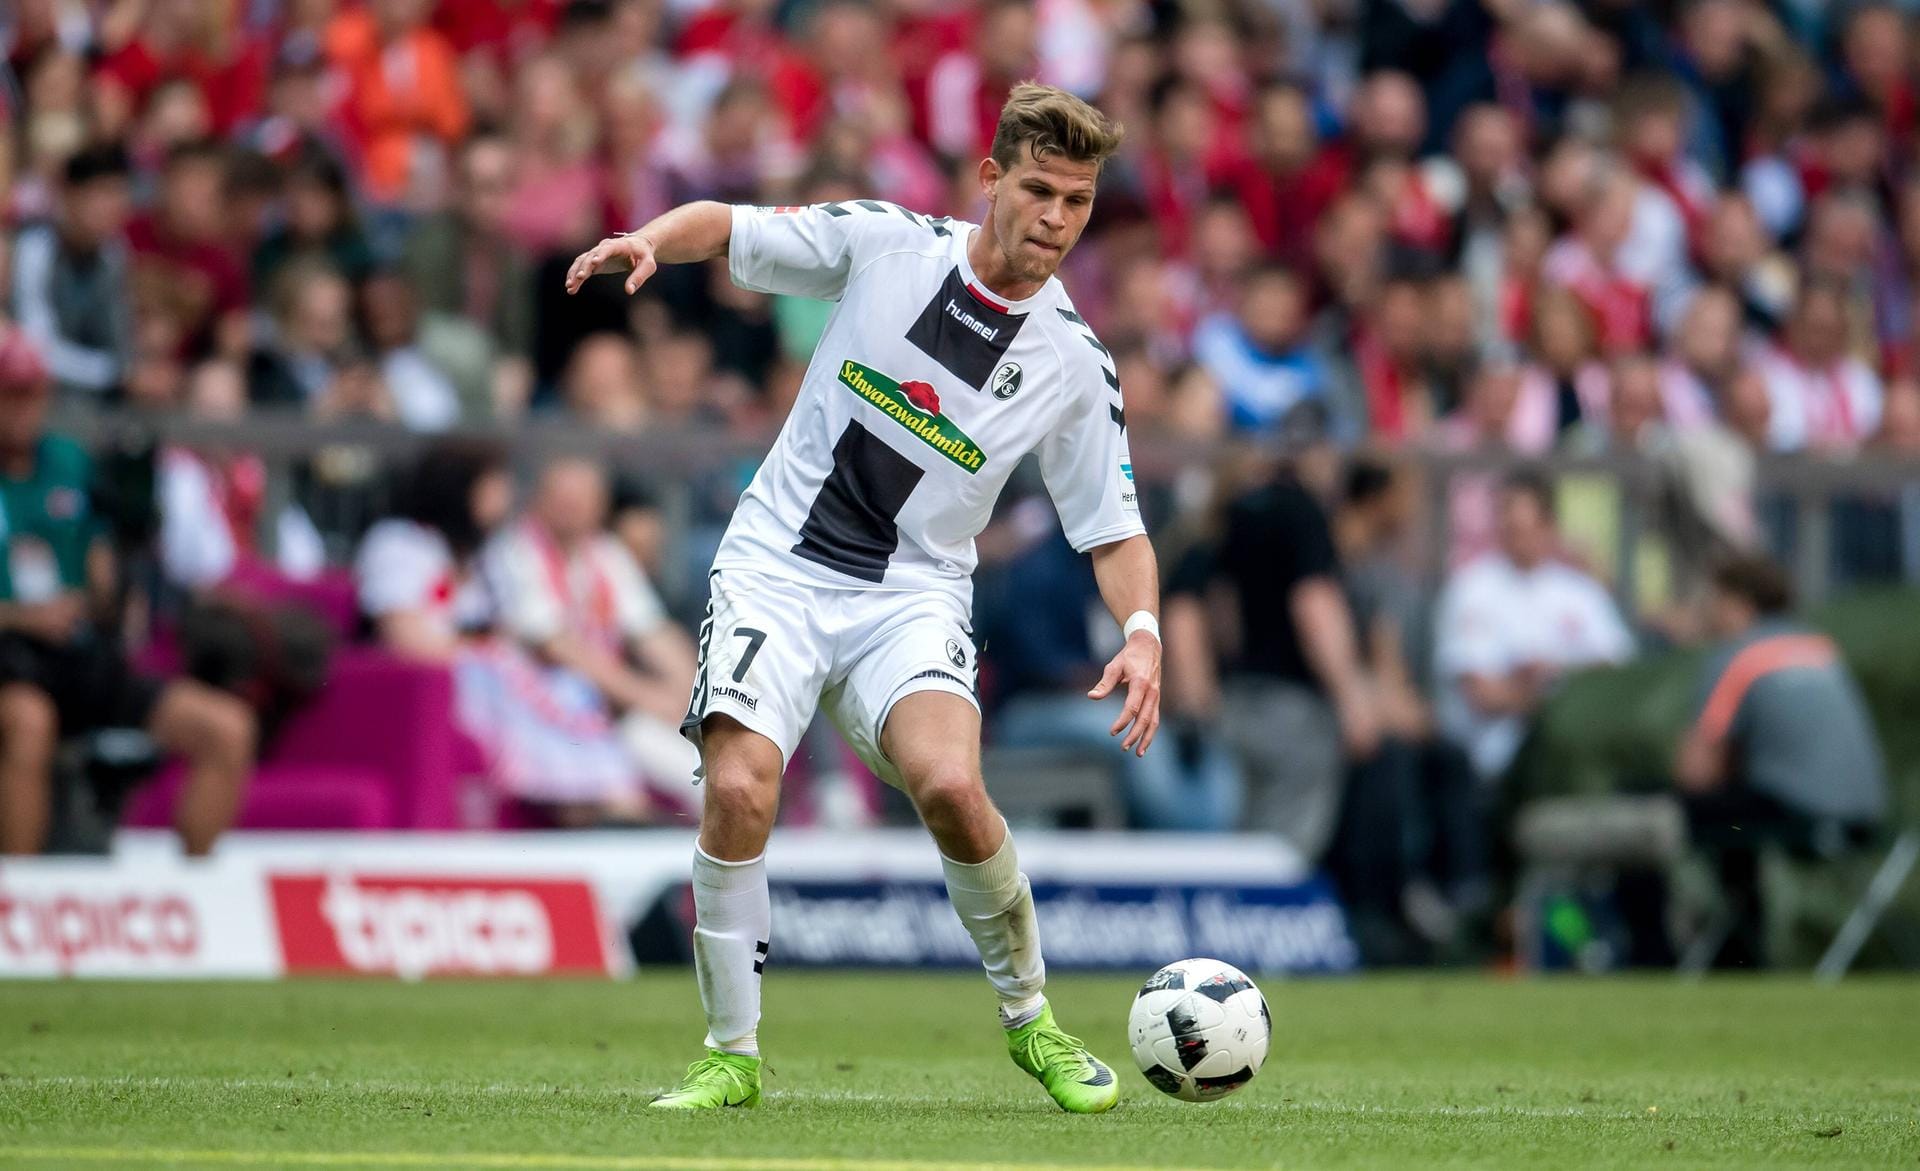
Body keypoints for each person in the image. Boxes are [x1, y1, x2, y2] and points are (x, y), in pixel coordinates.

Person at [566, 83, 1155, 1112]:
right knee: (742, 786)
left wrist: (1143, 631)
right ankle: (731, 1054)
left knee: (953, 788)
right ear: (991, 180)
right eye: (1039, 190)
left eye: (1079, 200)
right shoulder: (887, 244)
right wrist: (650, 238)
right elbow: (734, 228)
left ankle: (1035, 1024)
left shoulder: (1072, 361)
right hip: (779, 567)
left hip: (912, 595)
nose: (1057, 218)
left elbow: (1113, 528)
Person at [0, 327, 255, 857]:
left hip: (76, 655)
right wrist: (25, 618)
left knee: (226, 729)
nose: (20, 407)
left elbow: (100, 569)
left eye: (30, 391)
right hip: (9, 658)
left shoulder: (70, 464)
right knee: (28, 724)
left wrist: (114, 582)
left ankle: (193, 900)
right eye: (8, 391)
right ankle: (14, 904)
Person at [356, 442, 645, 825]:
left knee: (570, 689)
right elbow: (408, 641)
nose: (505, 500)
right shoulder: (399, 544)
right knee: (519, 682)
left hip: (481, 673)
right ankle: (583, 809)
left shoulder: (479, 555)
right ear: (460, 489)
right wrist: (487, 650)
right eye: (493, 488)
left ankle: (610, 806)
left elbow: (499, 628)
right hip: (430, 686)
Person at [1672, 555, 1887, 967]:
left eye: (1713, 601)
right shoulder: (1820, 647)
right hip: (1866, 816)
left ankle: (1703, 956)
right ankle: (1739, 950)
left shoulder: (1737, 655)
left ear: (1738, 605)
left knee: (1671, 810)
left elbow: (1695, 772)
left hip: (1798, 814)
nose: (1708, 612)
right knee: (1734, 814)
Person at [484, 458, 702, 820]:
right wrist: (647, 696)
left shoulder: (605, 553)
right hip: (533, 702)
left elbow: (653, 632)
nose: (573, 508)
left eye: (583, 498)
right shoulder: (514, 550)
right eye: (562, 497)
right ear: (538, 499)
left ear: (601, 505)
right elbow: (557, 648)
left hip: (608, 702)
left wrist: (696, 698)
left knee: (704, 770)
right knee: (583, 702)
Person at [1433, 470, 1637, 783]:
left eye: (1525, 528)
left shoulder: (1580, 591)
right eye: (1508, 527)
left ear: (1549, 526)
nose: (1516, 537)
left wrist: (1549, 675)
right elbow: (1483, 694)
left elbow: (1620, 674)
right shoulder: (1471, 588)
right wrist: (1563, 689)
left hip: (1575, 759)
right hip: (1494, 765)